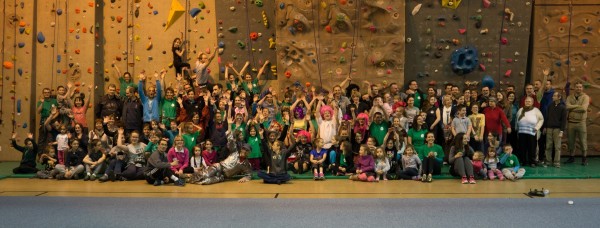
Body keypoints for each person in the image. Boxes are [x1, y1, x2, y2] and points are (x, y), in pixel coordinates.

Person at [565, 81, 590, 165]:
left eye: (580, 87)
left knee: (583, 141)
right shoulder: (569, 97)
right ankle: (571, 157)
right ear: (574, 88)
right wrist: (577, 106)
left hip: (581, 123)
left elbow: (583, 109)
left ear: (582, 88)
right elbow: (567, 107)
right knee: (571, 141)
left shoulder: (585, 97)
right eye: (577, 87)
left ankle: (584, 158)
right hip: (571, 123)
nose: (578, 88)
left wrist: (572, 108)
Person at [516, 96, 544, 167]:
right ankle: (523, 161)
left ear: (532, 103)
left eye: (529, 101)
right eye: (526, 101)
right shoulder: (521, 110)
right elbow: (517, 119)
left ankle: (532, 162)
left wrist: (537, 127)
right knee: (522, 147)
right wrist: (517, 128)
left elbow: (541, 119)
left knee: (532, 147)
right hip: (522, 132)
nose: (527, 103)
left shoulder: (536, 110)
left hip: (532, 132)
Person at [544, 91, 566, 168]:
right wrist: (545, 127)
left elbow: (564, 120)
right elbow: (547, 117)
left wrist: (561, 131)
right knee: (548, 146)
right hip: (549, 128)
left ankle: (556, 162)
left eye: (554, 96)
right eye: (553, 96)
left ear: (559, 97)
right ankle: (548, 161)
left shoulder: (563, 107)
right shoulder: (550, 106)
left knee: (557, 146)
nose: (553, 97)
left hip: (557, 129)